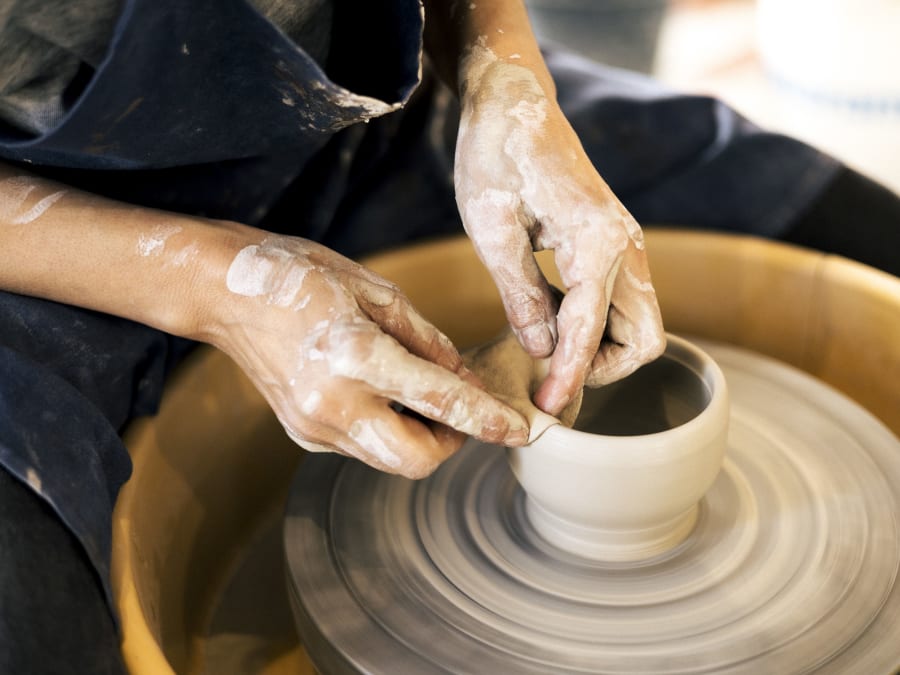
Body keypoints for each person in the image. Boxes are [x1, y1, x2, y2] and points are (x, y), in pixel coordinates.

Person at [0, 1, 897, 673]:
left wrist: (503, 76)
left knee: (858, 230)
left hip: (358, 123)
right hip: (46, 237)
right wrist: (215, 283)